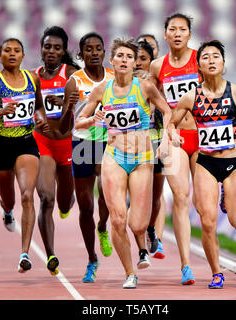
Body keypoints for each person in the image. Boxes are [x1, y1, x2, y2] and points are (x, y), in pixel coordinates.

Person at [74, 38, 171, 289]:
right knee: (117, 220)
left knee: (137, 223)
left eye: (130, 56)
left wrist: (166, 138)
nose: (125, 60)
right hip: (113, 156)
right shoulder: (101, 90)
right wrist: (92, 118)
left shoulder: (145, 87)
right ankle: (130, 272)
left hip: (142, 159)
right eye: (120, 56)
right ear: (113, 61)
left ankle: (143, 243)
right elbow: (79, 122)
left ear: (133, 62)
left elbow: (167, 110)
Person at [170, 40, 236, 289]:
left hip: (233, 165)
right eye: (205, 57)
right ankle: (216, 272)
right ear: (199, 66)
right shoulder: (191, 96)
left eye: (216, 56)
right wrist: (172, 134)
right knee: (208, 221)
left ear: (223, 63)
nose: (211, 60)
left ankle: (226, 192)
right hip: (205, 164)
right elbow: (172, 122)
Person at [0, 38, 49, 273]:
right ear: (0, 55)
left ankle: (24, 254)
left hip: (26, 144)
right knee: (10, 200)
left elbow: (38, 106)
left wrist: (41, 118)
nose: (12, 54)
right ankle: (6, 211)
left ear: (23, 56)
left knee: (27, 196)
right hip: (1, 146)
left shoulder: (32, 79)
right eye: (7, 51)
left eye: (17, 51)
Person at [59, 32, 114, 283]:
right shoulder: (74, 81)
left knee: (106, 191)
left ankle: (103, 226)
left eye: (98, 48)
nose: (94, 53)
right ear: (81, 55)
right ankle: (92, 258)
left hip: (108, 141)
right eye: (88, 49)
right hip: (82, 142)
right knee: (85, 206)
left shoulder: (115, 77)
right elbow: (62, 127)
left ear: (104, 52)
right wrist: (68, 108)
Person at [150, 13, 200, 285]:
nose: (178, 33)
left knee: (203, 207)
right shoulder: (158, 67)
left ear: (189, 34)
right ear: (166, 34)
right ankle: (186, 266)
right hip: (174, 137)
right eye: (173, 29)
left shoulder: (201, 60)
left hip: (203, 137)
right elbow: (151, 98)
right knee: (181, 197)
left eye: (183, 29)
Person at [33, 26, 80, 276]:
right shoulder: (32, 78)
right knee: (45, 197)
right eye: (47, 46)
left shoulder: (73, 75)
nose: (51, 51)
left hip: (69, 144)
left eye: (57, 47)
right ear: (41, 49)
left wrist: (66, 105)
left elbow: (88, 106)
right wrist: (36, 117)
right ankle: (51, 254)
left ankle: (67, 201)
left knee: (63, 201)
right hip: (43, 143)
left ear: (63, 52)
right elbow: (30, 108)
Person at [135, 39, 167, 260]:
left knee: (156, 196)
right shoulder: (118, 84)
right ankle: (141, 251)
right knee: (136, 196)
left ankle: (152, 228)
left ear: (150, 62)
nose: (137, 63)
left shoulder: (156, 85)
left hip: (155, 141)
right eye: (133, 58)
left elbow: (168, 111)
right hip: (128, 145)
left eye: (143, 59)